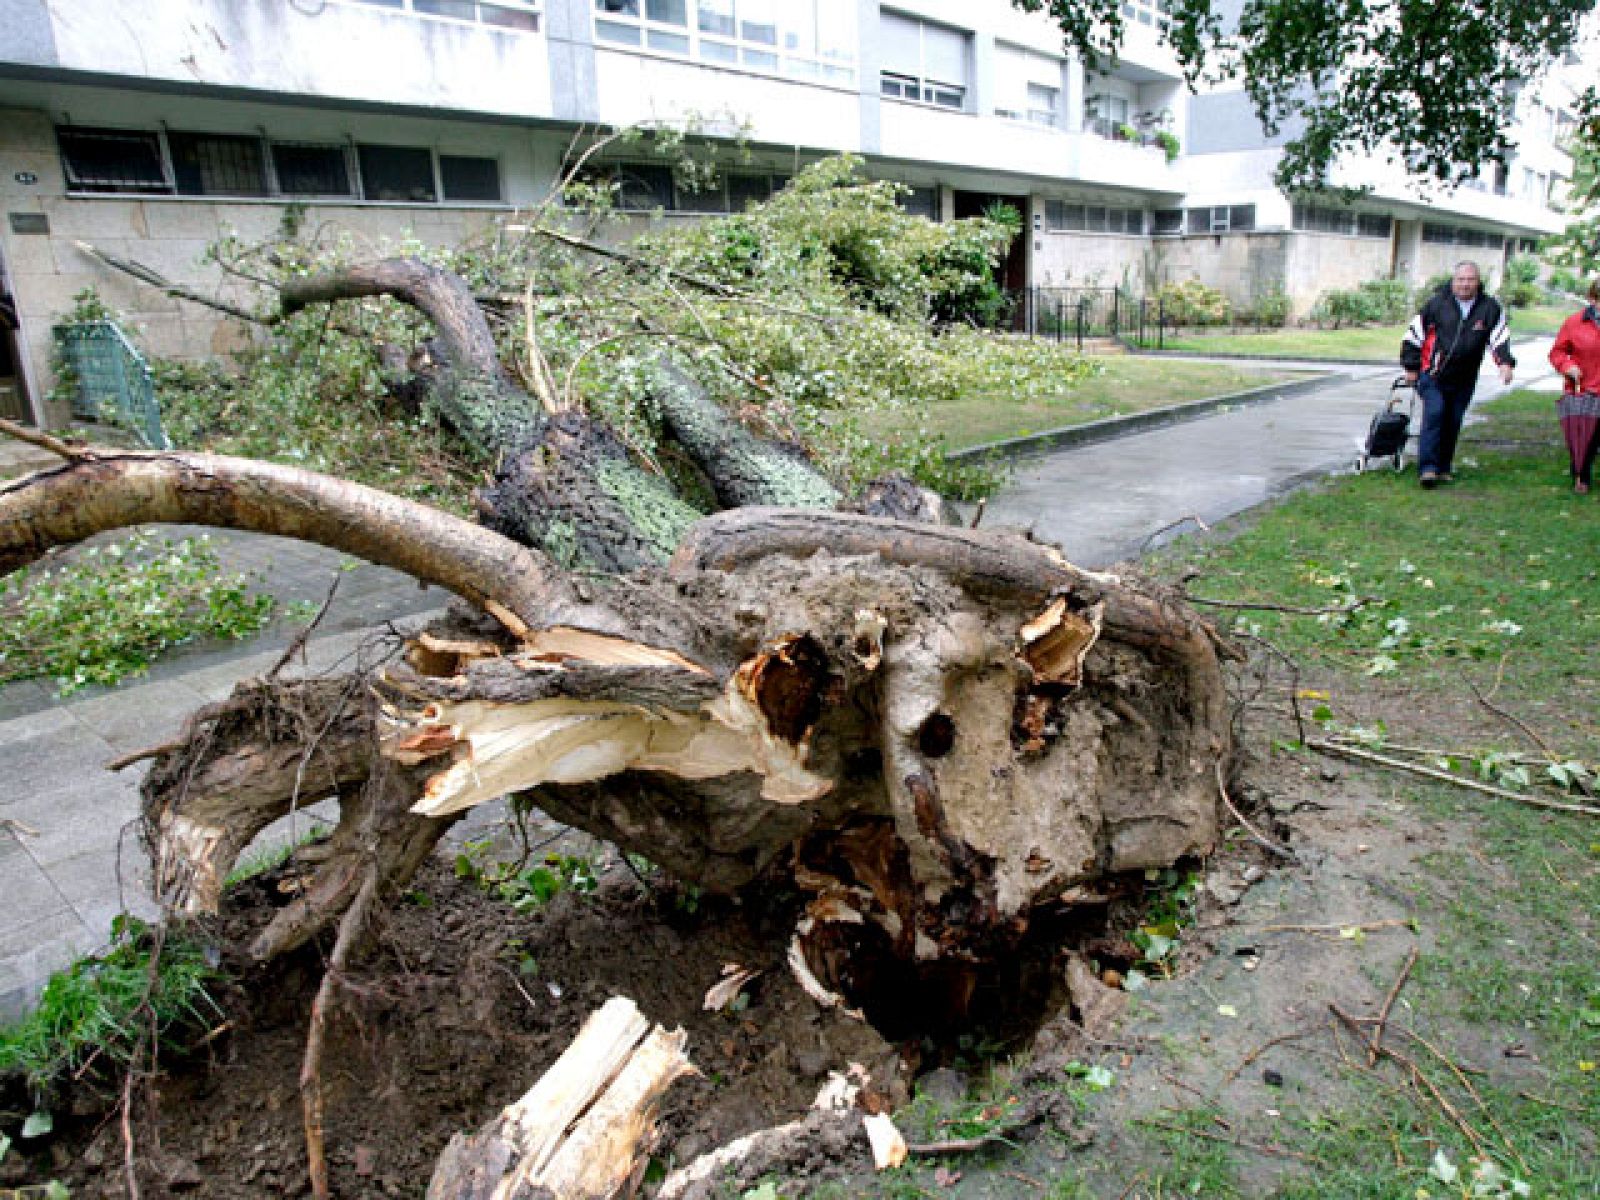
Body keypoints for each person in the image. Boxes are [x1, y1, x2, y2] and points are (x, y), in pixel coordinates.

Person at [1400, 261, 1516, 488]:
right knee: (1435, 413)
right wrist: (1411, 368)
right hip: (1432, 374)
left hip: (1464, 378)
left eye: (1470, 280)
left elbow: (1499, 338)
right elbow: (1413, 336)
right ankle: (1428, 469)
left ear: (1477, 282)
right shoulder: (1436, 305)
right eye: (1460, 280)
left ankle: (1443, 466)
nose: (1465, 285)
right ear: (1453, 282)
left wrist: (1505, 364)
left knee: (1452, 420)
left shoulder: (1490, 307)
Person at [1547, 279, 1600, 494]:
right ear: (1593, 300)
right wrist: (1567, 366)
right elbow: (1557, 352)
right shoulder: (1574, 323)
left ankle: (1581, 470)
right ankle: (1582, 475)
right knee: (1586, 436)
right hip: (1584, 388)